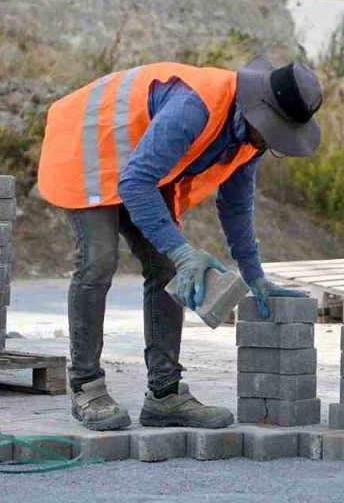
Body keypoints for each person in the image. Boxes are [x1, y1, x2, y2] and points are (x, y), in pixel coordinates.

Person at [36, 55, 323, 431]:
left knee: (168, 269)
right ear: (259, 111)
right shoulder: (195, 106)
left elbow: (236, 206)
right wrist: (185, 251)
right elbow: (136, 182)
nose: (272, 142)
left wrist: (256, 276)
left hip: (143, 164)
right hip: (88, 144)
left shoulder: (252, 140)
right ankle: (87, 387)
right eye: (275, 133)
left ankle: (164, 396)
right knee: (99, 260)